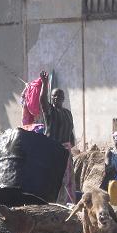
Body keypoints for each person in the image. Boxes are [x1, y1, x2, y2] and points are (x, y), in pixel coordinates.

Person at [39, 70, 76, 203]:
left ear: (63, 98)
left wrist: (71, 144)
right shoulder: (50, 111)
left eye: (59, 96)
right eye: (54, 96)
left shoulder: (67, 113)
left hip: (66, 151)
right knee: (55, 178)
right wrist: (44, 83)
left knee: (68, 180)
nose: (57, 98)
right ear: (52, 98)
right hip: (53, 151)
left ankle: (68, 203)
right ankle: (54, 203)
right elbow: (42, 101)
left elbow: (70, 131)